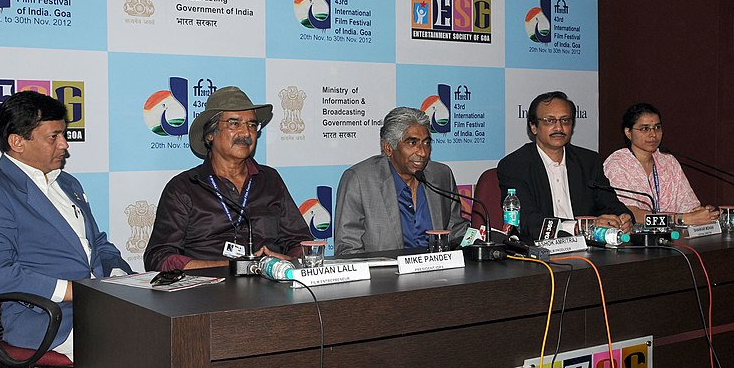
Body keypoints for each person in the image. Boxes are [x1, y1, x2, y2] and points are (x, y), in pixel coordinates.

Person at [0, 91, 133, 361]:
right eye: (54, 136)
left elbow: (97, 244)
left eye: (64, 135)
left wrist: (120, 277)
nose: (64, 145)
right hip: (50, 321)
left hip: (103, 306)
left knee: (179, 335)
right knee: (144, 346)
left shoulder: (68, 183)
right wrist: (77, 292)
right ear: (17, 142)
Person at [144, 86, 312, 271]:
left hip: (270, 290)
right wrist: (233, 267)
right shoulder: (184, 187)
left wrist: (286, 261)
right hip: (207, 293)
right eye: (234, 123)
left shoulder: (270, 180)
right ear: (210, 134)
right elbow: (159, 257)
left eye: (251, 125)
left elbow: (302, 244)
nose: (246, 133)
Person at [497, 91, 633, 240]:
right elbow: (528, 221)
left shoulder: (588, 161)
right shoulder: (514, 166)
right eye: (550, 121)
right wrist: (580, 226)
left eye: (565, 120)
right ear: (534, 127)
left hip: (590, 248)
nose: (559, 128)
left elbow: (610, 203)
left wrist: (623, 218)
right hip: (541, 250)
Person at [334, 106, 466, 255]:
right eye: (412, 143)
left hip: (440, 275)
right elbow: (348, 248)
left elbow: (456, 231)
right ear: (388, 148)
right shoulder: (359, 180)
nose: (422, 152)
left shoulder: (441, 175)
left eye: (426, 143)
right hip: (384, 276)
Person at [603, 103, 719, 225]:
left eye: (657, 127)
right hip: (635, 239)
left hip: (674, 237)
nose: (653, 134)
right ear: (628, 132)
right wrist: (680, 219)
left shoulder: (668, 161)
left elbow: (688, 205)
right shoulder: (618, 164)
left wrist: (700, 213)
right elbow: (630, 213)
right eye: (645, 129)